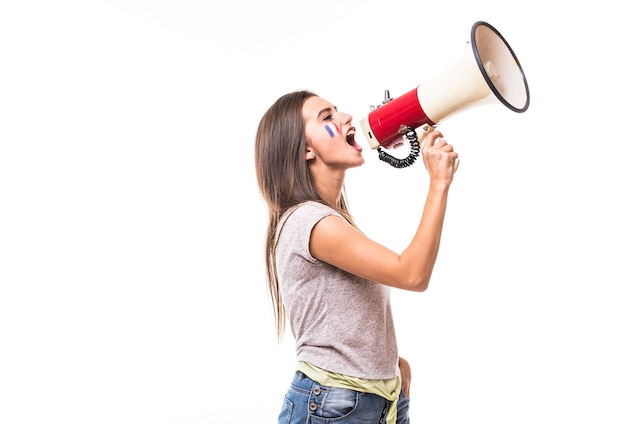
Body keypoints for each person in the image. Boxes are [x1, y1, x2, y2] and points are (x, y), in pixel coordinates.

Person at [254, 90, 457, 424]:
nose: (346, 117)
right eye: (327, 117)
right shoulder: (310, 221)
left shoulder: (330, 219)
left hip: (371, 401)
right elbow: (412, 274)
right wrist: (439, 182)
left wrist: (394, 368)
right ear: (305, 150)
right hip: (334, 405)